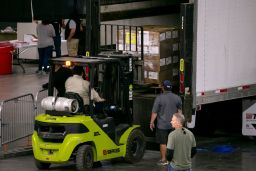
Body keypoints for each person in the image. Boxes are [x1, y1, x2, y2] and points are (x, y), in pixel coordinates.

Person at [149, 80, 182, 166]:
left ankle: (164, 160)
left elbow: (154, 112)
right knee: (173, 142)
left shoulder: (159, 98)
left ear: (163, 87)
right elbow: (179, 112)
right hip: (174, 125)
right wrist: (180, 122)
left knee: (163, 142)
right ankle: (174, 159)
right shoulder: (177, 98)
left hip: (162, 125)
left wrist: (151, 122)